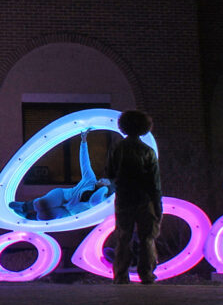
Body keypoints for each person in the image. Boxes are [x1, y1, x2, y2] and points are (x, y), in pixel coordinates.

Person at [106, 110, 163, 285]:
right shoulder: (147, 151)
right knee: (147, 237)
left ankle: (121, 275)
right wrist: (157, 204)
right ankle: (146, 274)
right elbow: (154, 182)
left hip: (124, 198)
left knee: (124, 237)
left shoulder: (117, 148)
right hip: (145, 199)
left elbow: (109, 173)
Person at [9, 130, 113, 221]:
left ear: (108, 187)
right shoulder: (90, 180)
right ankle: (24, 206)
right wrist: (83, 142)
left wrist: (105, 189)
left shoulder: (102, 200)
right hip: (63, 196)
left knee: (46, 216)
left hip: (70, 212)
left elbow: (94, 201)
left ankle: (27, 217)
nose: (102, 179)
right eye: (103, 179)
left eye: (105, 181)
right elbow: (85, 163)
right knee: (42, 204)